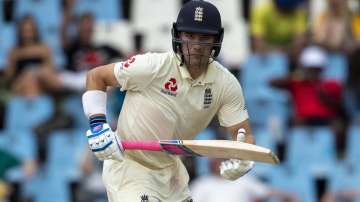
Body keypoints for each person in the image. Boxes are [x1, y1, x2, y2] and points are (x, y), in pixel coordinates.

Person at [82, 1, 255, 201]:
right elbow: (95, 77)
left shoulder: (226, 83)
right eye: (190, 36)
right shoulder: (153, 66)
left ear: (217, 39)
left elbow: (244, 134)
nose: (196, 45)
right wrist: (98, 125)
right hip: (130, 168)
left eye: (204, 37)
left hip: (172, 173)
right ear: (178, 35)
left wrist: (243, 157)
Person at [190, 158, 299, 202]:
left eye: (220, 160)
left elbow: (266, 191)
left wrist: (290, 196)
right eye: (215, 161)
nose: (218, 164)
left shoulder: (243, 180)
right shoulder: (201, 184)